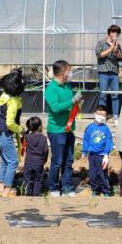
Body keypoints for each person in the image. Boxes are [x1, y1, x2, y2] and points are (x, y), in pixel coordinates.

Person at [45, 60, 83, 197]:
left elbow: (70, 105)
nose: (71, 73)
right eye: (69, 71)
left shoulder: (67, 86)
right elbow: (55, 108)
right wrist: (72, 101)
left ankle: (67, 187)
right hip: (57, 131)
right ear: (62, 73)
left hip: (69, 129)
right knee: (57, 161)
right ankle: (53, 188)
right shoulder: (51, 89)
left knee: (68, 161)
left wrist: (77, 103)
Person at [0, 69, 25, 197]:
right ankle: (7, 189)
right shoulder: (13, 101)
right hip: (5, 132)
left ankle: (0, 189)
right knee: (13, 161)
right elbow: (10, 123)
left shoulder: (4, 95)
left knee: (5, 161)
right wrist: (21, 129)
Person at [95, 24, 122, 125]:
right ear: (109, 33)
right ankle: (101, 116)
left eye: (117, 33)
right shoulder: (101, 43)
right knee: (103, 95)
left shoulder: (117, 45)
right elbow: (99, 55)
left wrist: (116, 51)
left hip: (114, 73)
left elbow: (121, 58)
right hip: (103, 73)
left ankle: (116, 116)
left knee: (115, 95)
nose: (115, 35)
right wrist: (111, 48)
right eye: (114, 32)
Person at [82, 105, 113, 197]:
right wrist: (84, 151)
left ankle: (106, 190)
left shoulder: (106, 129)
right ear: (95, 114)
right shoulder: (90, 127)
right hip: (92, 155)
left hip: (102, 155)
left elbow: (109, 142)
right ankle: (95, 189)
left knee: (102, 174)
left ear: (106, 116)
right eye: (99, 114)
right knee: (92, 174)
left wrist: (106, 155)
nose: (101, 116)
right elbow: (86, 140)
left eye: (103, 115)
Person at [22, 117, 49, 196]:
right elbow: (45, 150)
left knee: (28, 178)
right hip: (39, 162)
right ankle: (36, 193)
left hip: (28, 161)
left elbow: (22, 139)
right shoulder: (43, 138)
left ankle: (28, 192)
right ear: (40, 126)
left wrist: (28, 130)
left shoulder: (27, 137)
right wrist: (45, 160)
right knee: (38, 179)